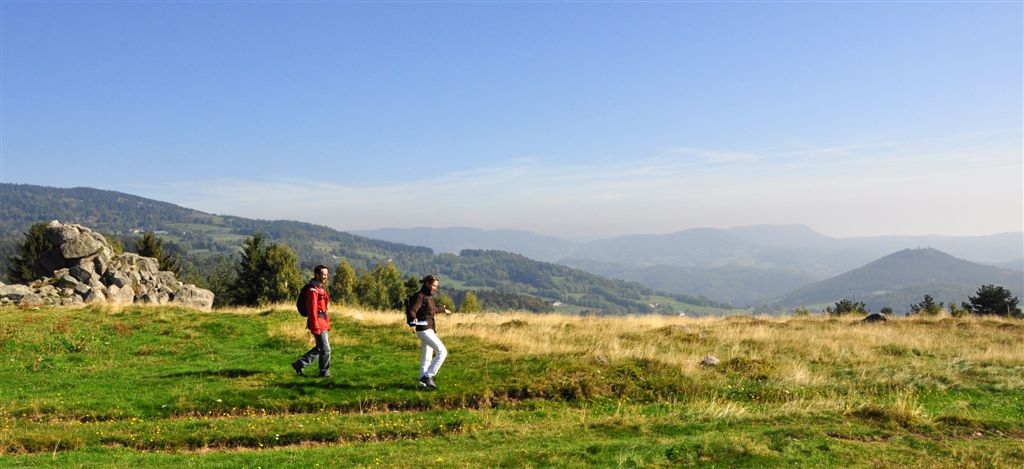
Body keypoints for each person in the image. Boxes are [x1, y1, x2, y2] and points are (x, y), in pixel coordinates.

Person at [405, 275, 448, 390]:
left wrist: (443, 309)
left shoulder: (428, 297)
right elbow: (413, 310)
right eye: (434, 286)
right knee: (442, 352)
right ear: (427, 284)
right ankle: (428, 376)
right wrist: (413, 318)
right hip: (424, 330)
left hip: (427, 330)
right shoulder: (420, 296)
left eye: (436, 287)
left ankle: (423, 385)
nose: (435, 288)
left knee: (427, 357)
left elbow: (432, 310)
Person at [292, 265, 332, 377]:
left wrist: (327, 323)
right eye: (323, 274)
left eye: (326, 274)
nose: (325, 277)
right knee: (326, 349)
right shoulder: (312, 290)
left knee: (320, 348)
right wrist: (315, 327)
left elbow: (324, 308)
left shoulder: (320, 288)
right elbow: (312, 310)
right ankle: (324, 373)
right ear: (317, 275)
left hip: (323, 322)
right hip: (318, 323)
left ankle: (299, 364)